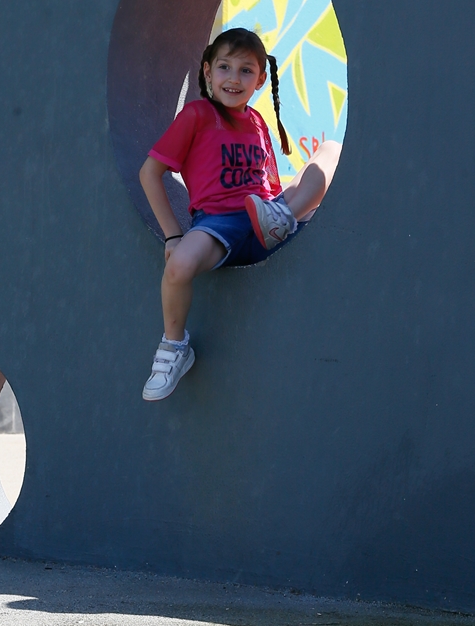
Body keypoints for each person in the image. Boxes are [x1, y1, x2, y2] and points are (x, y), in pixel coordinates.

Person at [139, 27, 341, 401]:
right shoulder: (197, 114)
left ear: (261, 79)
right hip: (219, 223)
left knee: (330, 149)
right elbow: (149, 172)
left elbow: (268, 185)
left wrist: (281, 211)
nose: (234, 78)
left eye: (246, 70)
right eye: (225, 67)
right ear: (207, 72)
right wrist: (172, 234)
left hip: (268, 217)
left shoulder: (258, 123)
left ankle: (287, 219)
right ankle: (173, 347)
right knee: (179, 265)